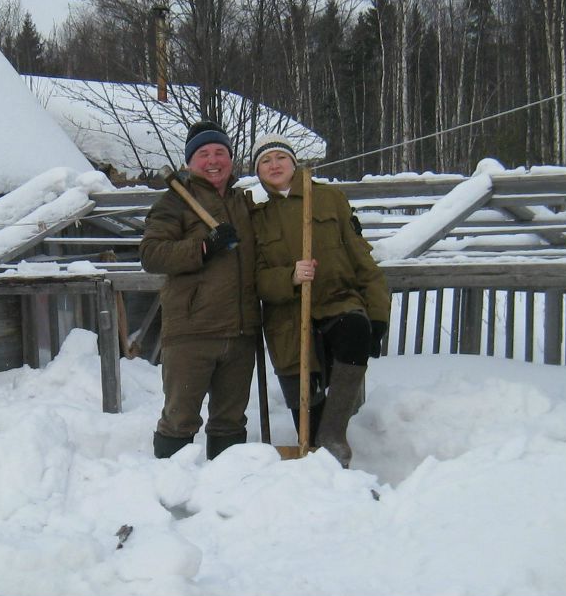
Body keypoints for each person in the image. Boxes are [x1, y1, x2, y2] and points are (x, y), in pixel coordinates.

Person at [246, 133, 390, 468]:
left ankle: (334, 434)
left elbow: (361, 258)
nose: (274, 165)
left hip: (337, 301)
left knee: (356, 327)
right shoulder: (255, 216)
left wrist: (378, 314)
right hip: (287, 318)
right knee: (307, 421)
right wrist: (289, 277)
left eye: (280, 157)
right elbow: (256, 279)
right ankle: (320, 460)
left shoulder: (327, 199)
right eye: (265, 161)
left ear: (293, 162)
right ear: (258, 171)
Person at [140, 121, 261, 460]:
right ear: (190, 162)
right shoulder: (175, 202)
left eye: (220, 152)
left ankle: (224, 492)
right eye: (204, 154)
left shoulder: (244, 203)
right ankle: (168, 493)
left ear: (231, 159)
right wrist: (204, 247)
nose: (213, 160)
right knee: (180, 418)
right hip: (193, 331)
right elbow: (151, 254)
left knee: (230, 420)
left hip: (240, 331)